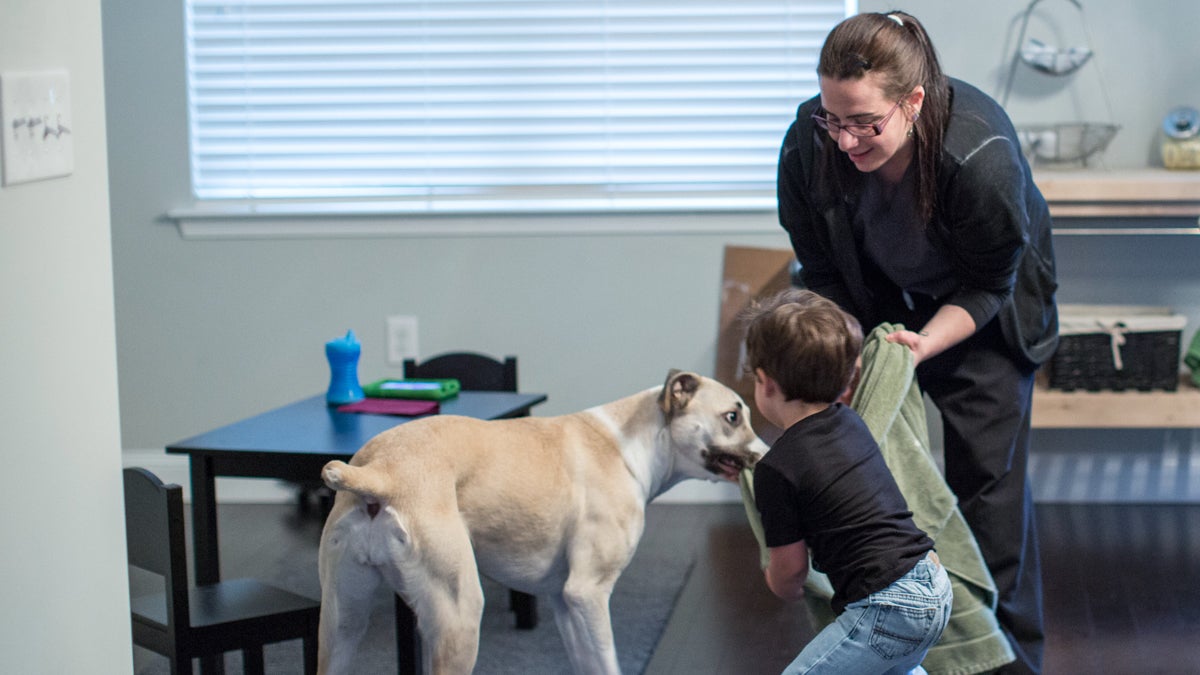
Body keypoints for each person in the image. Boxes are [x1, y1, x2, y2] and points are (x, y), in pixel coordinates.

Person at [776, 10, 1058, 674]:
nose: (844, 140)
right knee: (868, 467)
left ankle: (1007, 659)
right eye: (831, 117)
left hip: (981, 311)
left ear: (914, 102)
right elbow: (817, 265)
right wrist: (845, 352)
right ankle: (906, 649)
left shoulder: (979, 152)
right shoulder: (809, 141)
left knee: (987, 489)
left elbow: (992, 282)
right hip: (876, 302)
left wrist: (926, 343)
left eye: (864, 123)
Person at [744, 287, 952, 675]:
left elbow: (790, 573)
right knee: (898, 666)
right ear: (848, 378)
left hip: (889, 608)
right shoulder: (850, 423)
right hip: (933, 582)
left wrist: (778, 583)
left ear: (764, 382)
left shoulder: (776, 469)